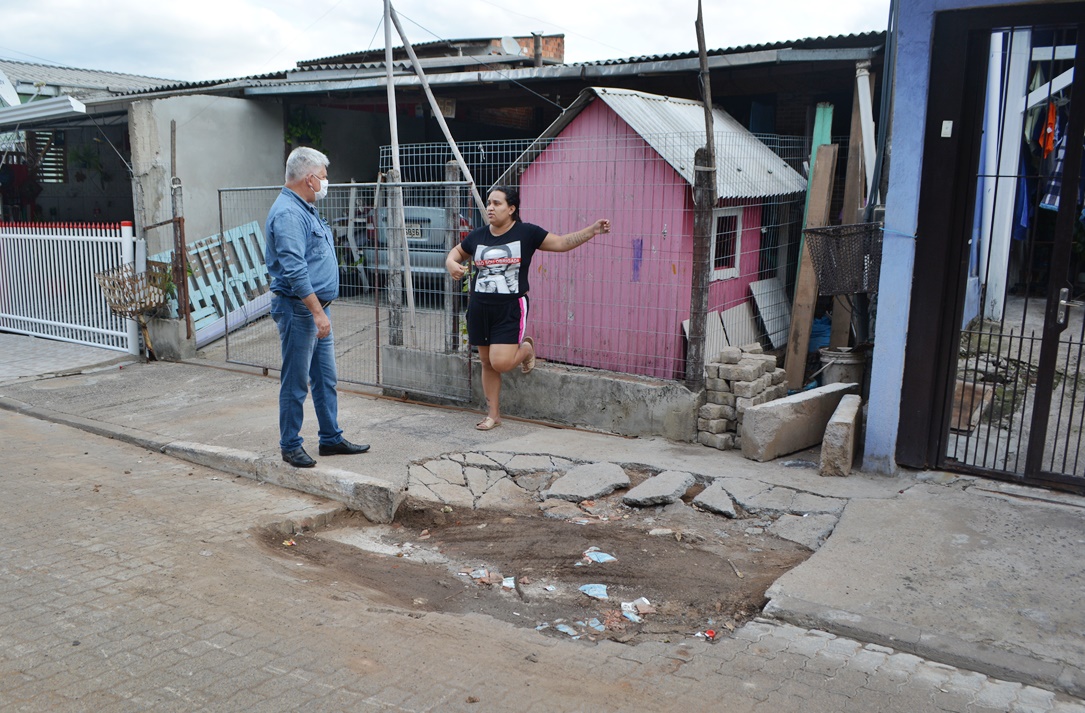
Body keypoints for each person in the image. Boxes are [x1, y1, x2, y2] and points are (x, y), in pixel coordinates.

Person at [445, 185, 610, 431]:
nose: (490, 208)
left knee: (500, 363)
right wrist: (450, 262)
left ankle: (526, 350)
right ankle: (493, 414)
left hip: (510, 308)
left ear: (511, 208)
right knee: (487, 363)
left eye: (497, 203)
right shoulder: (478, 235)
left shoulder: (527, 233)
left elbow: (562, 242)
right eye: (489, 203)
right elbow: (457, 253)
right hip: (479, 307)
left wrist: (591, 230)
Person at [265, 147, 370, 467]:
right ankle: (290, 445)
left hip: (315, 309)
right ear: (309, 179)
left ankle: (330, 438)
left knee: (325, 378)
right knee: (296, 381)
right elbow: (295, 270)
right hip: (300, 310)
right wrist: (317, 312)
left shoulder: (304, 207)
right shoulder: (288, 214)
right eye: (323, 177)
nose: (326, 182)